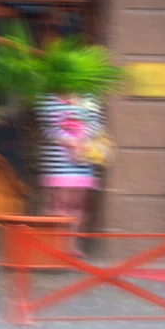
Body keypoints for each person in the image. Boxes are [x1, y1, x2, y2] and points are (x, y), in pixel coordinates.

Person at [36, 94, 103, 255]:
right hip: (59, 162)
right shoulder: (49, 100)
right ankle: (55, 244)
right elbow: (48, 127)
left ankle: (71, 245)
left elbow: (95, 123)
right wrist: (69, 141)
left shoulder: (89, 99)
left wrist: (81, 140)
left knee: (78, 204)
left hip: (83, 160)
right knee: (59, 203)